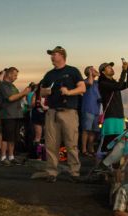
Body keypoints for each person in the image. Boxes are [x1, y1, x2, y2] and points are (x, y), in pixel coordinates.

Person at [39, 46, 86, 183]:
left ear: (62, 55)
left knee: (71, 143)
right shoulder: (49, 74)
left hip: (68, 112)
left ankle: (74, 172)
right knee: (51, 144)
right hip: (52, 112)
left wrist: (69, 92)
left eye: (54, 54)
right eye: (51, 54)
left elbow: (82, 88)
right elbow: (41, 92)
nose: (52, 57)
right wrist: (47, 91)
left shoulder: (72, 71)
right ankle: (51, 172)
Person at [0, 67, 32, 165]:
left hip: (16, 114)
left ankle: (11, 157)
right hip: (8, 115)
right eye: (15, 75)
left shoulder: (12, 86)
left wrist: (25, 93)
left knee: (13, 138)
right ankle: (3, 158)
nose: (16, 77)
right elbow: (10, 98)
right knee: (6, 137)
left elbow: (17, 97)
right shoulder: (3, 85)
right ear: (9, 74)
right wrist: (23, 92)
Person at [97, 60, 128, 153]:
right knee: (109, 140)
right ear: (103, 72)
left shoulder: (113, 83)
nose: (111, 68)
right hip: (110, 115)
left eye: (111, 67)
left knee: (118, 141)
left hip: (119, 115)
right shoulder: (103, 83)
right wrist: (123, 71)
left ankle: (113, 159)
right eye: (108, 67)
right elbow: (118, 86)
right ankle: (103, 158)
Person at [79, 66, 100, 156]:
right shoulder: (84, 82)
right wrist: (91, 73)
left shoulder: (97, 83)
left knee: (93, 131)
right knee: (86, 130)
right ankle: (84, 150)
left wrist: (99, 74)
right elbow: (90, 83)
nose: (95, 70)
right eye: (92, 69)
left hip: (96, 110)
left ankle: (90, 149)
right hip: (88, 109)